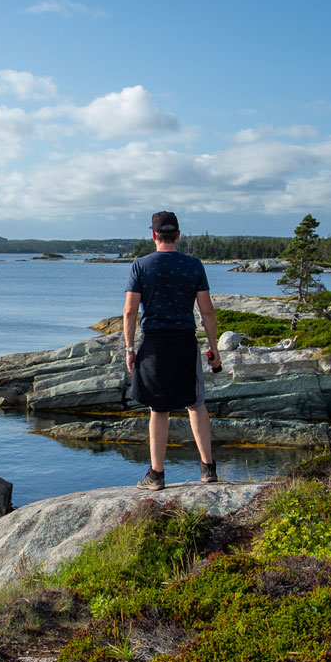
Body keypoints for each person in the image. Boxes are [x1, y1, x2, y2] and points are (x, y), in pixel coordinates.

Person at [122, 210, 221, 490]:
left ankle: (156, 475)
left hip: (153, 343)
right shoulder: (194, 265)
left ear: (153, 235)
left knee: (159, 409)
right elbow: (207, 312)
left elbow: (130, 312)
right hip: (184, 341)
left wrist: (129, 348)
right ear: (177, 234)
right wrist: (214, 348)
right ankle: (208, 470)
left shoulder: (140, 266)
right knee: (196, 403)